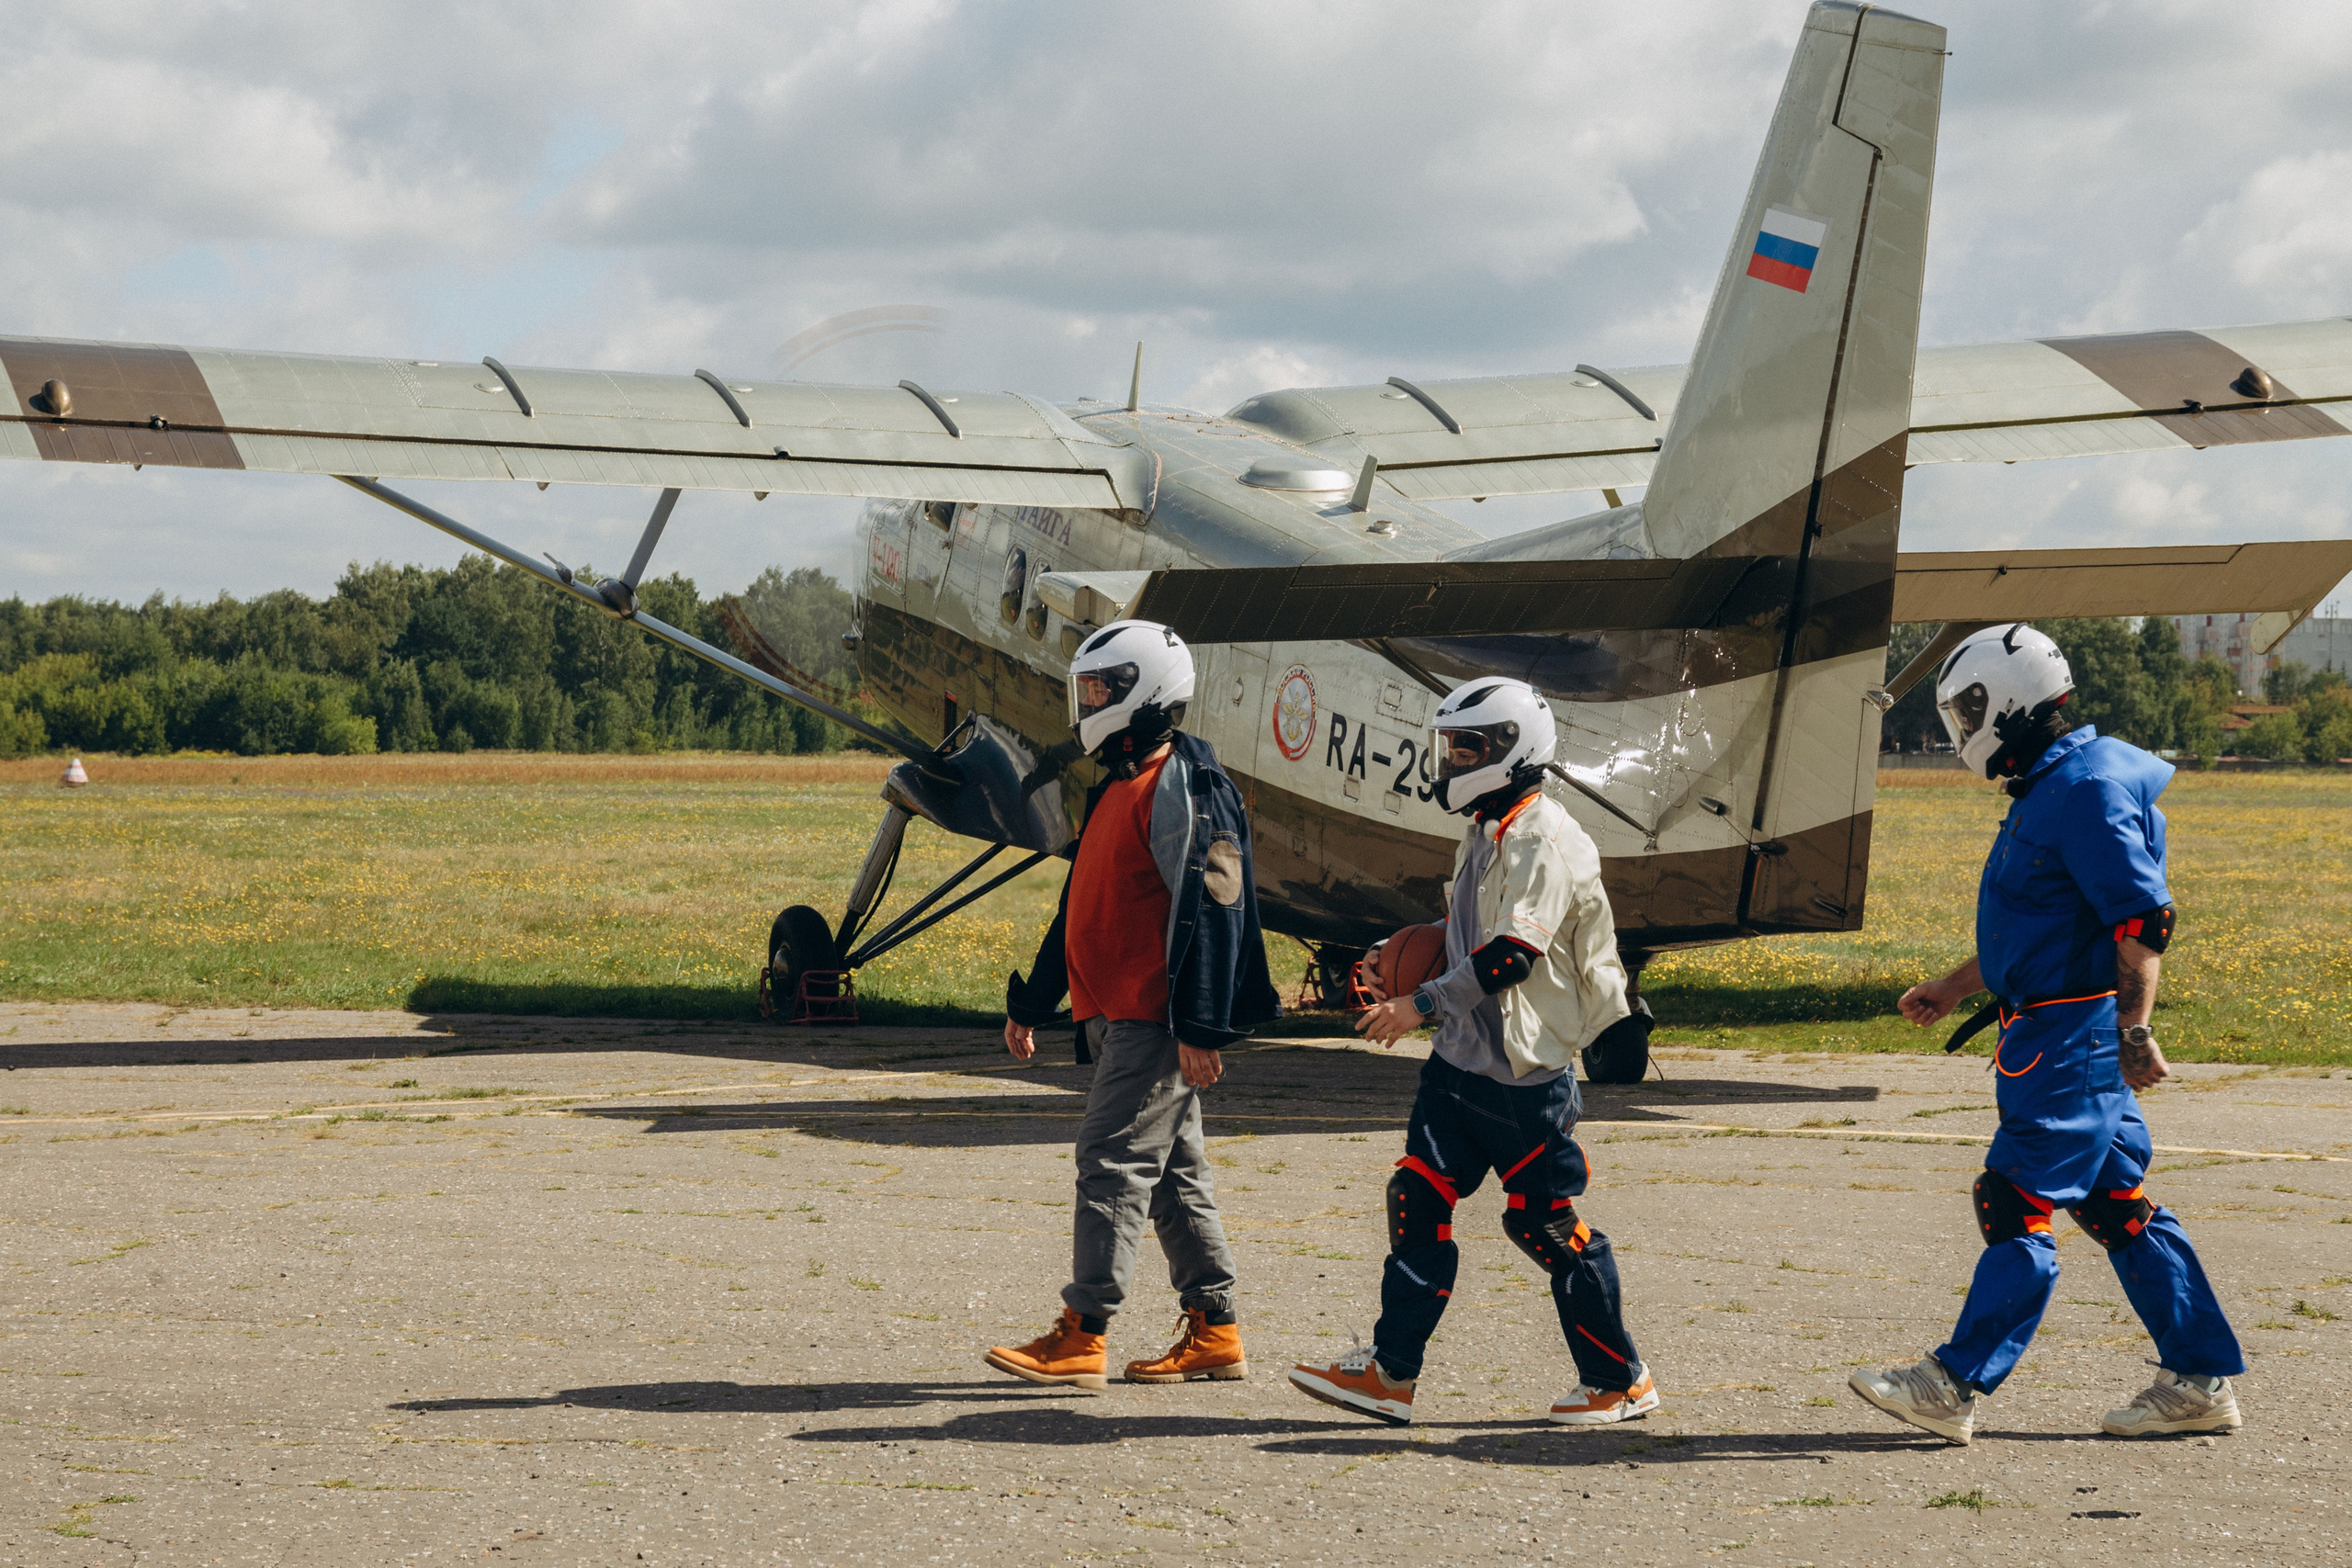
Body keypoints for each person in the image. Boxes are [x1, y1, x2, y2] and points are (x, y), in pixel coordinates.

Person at [1851, 623, 2245, 1445]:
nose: (1964, 727)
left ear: (2014, 701)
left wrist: (2135, 1033)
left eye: (1970, 708)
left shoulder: (2085, 788)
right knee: (2119, 1206)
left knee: (2016, 1200)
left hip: (2075, 1038)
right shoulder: (2058, 780)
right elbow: (2042, 924)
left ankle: (1952, 1384)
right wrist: (1953, 985)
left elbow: (2144, 918)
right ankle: (2200, 1377)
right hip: (2061, 1026)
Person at [1286, 677, 1657, 1427]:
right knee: (1415, 1197)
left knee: (1543, 1223)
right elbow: (1474, 930)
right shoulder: (1487, 827)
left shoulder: (1544, 840)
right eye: (1448, 746)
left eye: (1467, 748)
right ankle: (1390, 1375)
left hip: (1523, 1077)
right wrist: (1396, 952)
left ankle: (1620, 1379)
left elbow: (1511, 956)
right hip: (1459, 1064)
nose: (1451, 762)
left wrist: (1414, 1002)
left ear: (1513, 753)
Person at [983, 619, 1281, 1390]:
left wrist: (1201, 1024)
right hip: (1121, 1015)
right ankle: (1215, 1329)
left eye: (1099, 690)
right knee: (1175, 1177)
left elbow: (1217, 906)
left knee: (1109, 1161)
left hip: (1157, 1018)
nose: (1086, 704)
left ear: (1143, 694)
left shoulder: (1188, 785)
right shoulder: (1119, 783)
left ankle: (1082, 1335)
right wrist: (1033, 1001)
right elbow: (1080, 904)